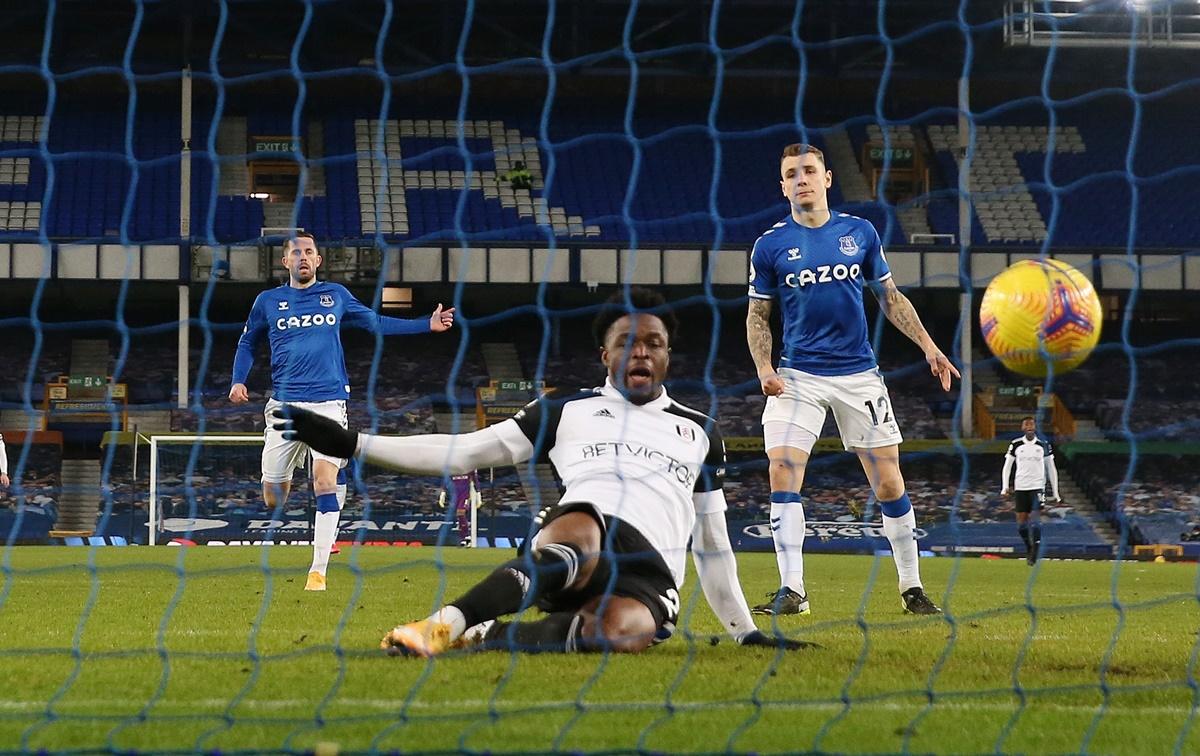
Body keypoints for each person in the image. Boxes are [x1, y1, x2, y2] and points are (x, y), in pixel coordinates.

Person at [272, 288, 813, 656]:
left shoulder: (700, 430)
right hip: (582, 534)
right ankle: (444, 624)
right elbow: (463, 452)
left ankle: (491, 633)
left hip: (651, 574)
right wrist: (354, 442)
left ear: (669, 357)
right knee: (581, 531)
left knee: (616, 635)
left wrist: (746, 635)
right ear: (606, 354)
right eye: (628, 341)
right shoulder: (565, 410)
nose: (641, 351)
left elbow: (713, 547)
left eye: (655, 343)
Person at [745, 143, 960, 617]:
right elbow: (758, 314)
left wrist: (928, 346)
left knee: (888, 483)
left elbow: (890, 297)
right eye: (790, 174)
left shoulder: (859, 233)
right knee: (781, 470)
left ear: (826, 179)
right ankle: (793, 591)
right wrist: (765, 369)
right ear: (782, 186)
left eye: (808, 170)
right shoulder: (770, 245)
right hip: (797, 375)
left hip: (859, 376)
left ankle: (912, 588)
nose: (800, 178)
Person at [230, 231, 456, 591]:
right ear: (285, 261)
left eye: (309, 252)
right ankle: (301, 468)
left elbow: (374, 323)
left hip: (329, 403)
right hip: (284, 408)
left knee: (324, 480)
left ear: (318, 261)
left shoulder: (335, 295)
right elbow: (247, 342)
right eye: (296, 253)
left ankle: (317, 571)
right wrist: (238, 380)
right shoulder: (267, 301)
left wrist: (424, 325)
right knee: (274, 498)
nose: (303, 257)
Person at [1001, 416, 1061, 565]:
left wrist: (1056, 492)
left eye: (1031, 424)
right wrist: (1004, 486)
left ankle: (1036, 550)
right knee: (1021, 523)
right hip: (1021, 486)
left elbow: (1051, 468)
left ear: (1035, 427)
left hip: (1037, 486)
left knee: (1035, 518)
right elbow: (1007, 466)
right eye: (1026, 424)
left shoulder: (1043, 444)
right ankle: (1029, 547)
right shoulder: (1016, 444)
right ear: (1022, 428)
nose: (1029, 426)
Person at [438, 471, 480, 547]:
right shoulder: (453, 468)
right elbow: (446, 480)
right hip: (454, 496)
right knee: (459, 517)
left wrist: (478, 494)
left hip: (465, 496)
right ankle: (464, 538)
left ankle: (467, 536)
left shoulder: (469, 468)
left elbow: (475, 481)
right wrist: (443, 493)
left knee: (460, 513)